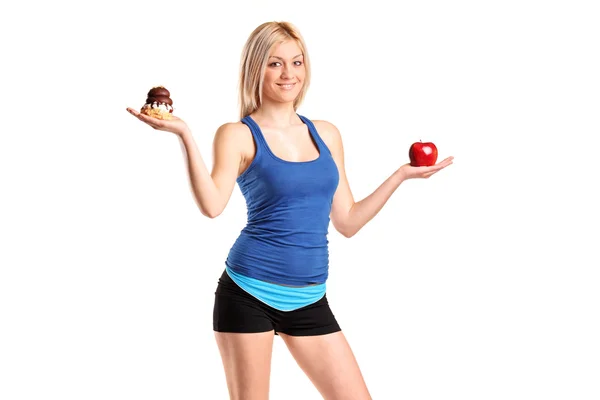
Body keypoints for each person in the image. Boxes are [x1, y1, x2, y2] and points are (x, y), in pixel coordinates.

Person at [127, 21, 453, 400]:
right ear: (256, 69)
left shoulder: (326, 133)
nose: (288, 74)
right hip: (248, 293)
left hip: (310, 298)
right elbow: (213, 206)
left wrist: (400, 176)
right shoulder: (237, 135)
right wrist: (184, 134)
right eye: (275, 63)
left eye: (297, 63)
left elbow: (346, 221)